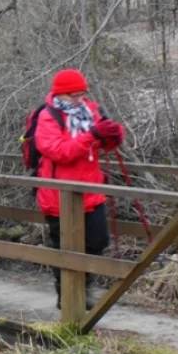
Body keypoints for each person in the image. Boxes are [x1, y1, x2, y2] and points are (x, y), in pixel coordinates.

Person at [34, 69, 124, 309]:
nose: (78, 99)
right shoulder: (47, 116)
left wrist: (113, 135)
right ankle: (67, 296)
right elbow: (60, 152)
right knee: (64, 247)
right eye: (73, 95)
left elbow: (103, 144)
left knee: (97, 240)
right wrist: (92, 135)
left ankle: (83, 286)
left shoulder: (91, 110)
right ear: (61, 94)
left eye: (82, 94)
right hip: (58, 194)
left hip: (90, 190)